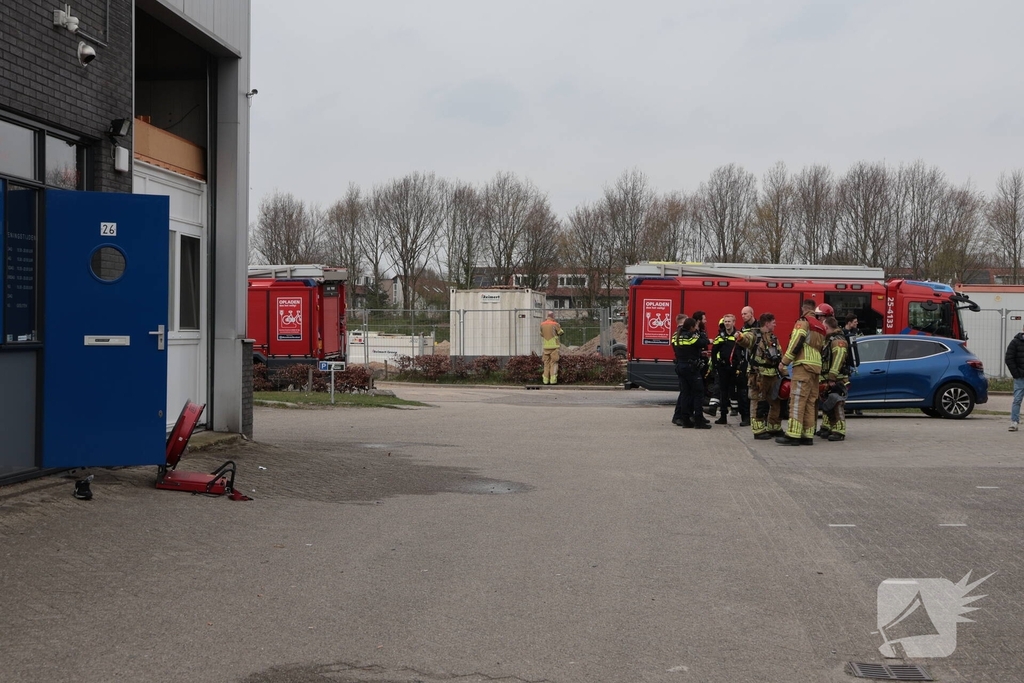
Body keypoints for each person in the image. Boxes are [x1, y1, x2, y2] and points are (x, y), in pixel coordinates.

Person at [776, 299, 826, 446]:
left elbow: (796, 342)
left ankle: (793, 434)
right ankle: (807, 435)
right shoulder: (821, 326)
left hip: (803, 366)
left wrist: (784, 362)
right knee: (810, 402)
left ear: (803, 309)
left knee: (797, 400)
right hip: (816, 367)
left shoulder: (803, 322)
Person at [736, 312, 783, 439]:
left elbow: (780, 355)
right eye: (773, 322)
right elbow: (746, 340)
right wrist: (740, 337)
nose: (775, 324)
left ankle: (774, 427)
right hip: (758, 376)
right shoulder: (754, 335)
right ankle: (758, 430)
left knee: (775, 401)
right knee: (758, 403)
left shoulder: (773, 337)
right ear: (767, 323)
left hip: (773, 375)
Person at [672, 316, 712, 429]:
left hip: (680, 366)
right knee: (698, 393)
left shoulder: (676, 336)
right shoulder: (691, 336)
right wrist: (705, 336)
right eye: (695, 326)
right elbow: (702, 343)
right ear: (691, 327)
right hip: (691, 368)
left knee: (685, 393)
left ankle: (686, 420)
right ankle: (699, 421)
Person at [712, 314, 750, 426]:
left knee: (741, 393)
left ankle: (745, 417)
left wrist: (744, 366)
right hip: (724, 369)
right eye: (725, 321)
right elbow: (714, 352)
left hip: (737, 369)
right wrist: (715, 367)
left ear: (734, 322)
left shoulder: (739, 336)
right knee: (723, 393)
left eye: (729, 321)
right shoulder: (720, 337)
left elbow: (746, 351)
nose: (727, 323)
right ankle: (723, 417)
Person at [817, 316, 849, 441]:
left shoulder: (838, 341)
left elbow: (838, 360)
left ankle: (839, 431)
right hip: (828, 379)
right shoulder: (829, 339)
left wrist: (832, 378)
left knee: (837, 405)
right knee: (829, 405)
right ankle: (831, 427)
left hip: (837, 380)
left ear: (827, 327)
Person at [1005, 323, 1024, 431]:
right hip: (1020, 378)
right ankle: (1014, 422)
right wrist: (1016, 374)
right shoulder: (1015, 342)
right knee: (1017, 400)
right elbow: (1009, 358)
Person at [539, 310, 564, 385]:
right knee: (553, 363)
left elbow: (541, 334)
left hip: (546, 347)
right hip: (554, 347)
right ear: (553, 316)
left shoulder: (542, 324)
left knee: (546, 364)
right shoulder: (555, 324)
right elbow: (560, 332)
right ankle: (553, 380)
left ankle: (545, 380)